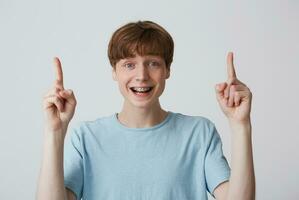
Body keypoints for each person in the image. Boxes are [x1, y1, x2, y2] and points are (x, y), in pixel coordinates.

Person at [36, 20, 255, 200]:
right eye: (129, 64)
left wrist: (240, 125)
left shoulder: (199, 133)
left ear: (167, 69)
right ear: (114, 71)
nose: (141, 75)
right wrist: (54, 131)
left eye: (153, 63)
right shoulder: (86, 138)